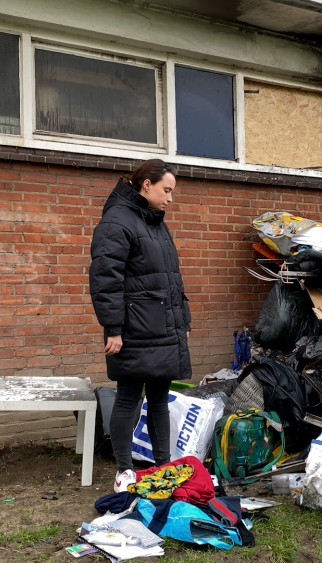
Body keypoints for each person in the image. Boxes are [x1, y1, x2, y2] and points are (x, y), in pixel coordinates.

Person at [89, 159, 191, 493]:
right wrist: (113, 328)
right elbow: (106, 279)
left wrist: (182, 320)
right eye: (166, 190)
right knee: (128, 399)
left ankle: (163, 466)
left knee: (160, 399)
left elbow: (171, 278)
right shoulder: (116, 221)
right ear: (146, 184)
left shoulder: (156, 223)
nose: (170, 199)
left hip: (162, 329)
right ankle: (124, 471)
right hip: (133, 329)